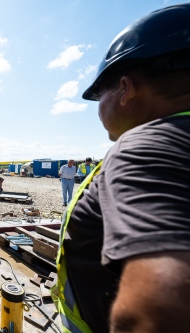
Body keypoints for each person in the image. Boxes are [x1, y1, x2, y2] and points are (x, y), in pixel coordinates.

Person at [52, 5, 190, 333]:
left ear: (125, 89)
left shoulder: (145, 147)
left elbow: (156, 313)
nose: (98, 107)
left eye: (99, 93)